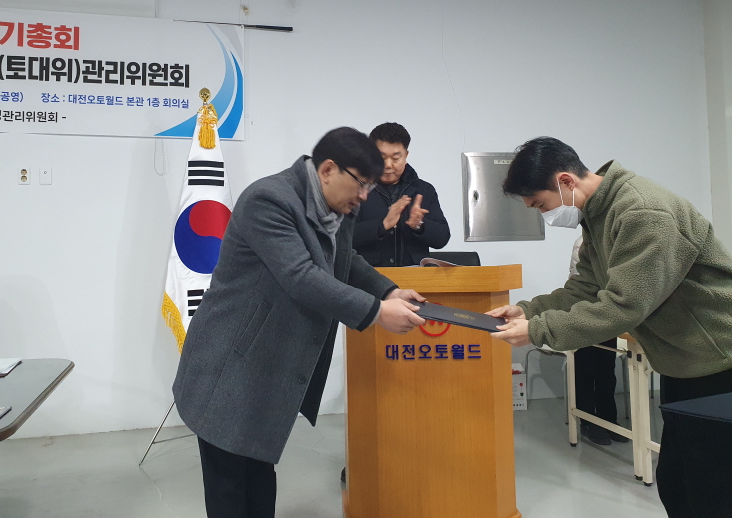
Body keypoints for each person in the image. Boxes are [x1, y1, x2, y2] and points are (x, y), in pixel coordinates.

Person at [172, 127, 427, 518]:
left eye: (370, 188)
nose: (364, 197)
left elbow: (346, 259)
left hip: (267, 363)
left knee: (259, 473)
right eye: (361, 184)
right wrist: (376, 312)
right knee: (230, 483)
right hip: (231, 362)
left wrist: (388, 291)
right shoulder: (268, 200)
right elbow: (301, 276)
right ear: (328, 170)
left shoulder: (336, 206)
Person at [487, 137, 732, 518]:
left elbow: (624, 305)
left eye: (540, 205)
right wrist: (526, 311)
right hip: (683, 363)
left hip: (718, 361)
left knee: (711, 488)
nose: (544, 214)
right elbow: (585, 287)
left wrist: (537, 330)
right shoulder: (599, 215)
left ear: (565, 181)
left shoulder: (643, 211)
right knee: (678, 482)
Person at [353, 122, 450, 267]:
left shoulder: (424, 190)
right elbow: (343, 237)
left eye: (395, 158)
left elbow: (442, 238)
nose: (388, 165)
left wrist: (420, 225)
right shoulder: (355, 189)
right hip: (368, 277)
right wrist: (383, 224)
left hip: (414, 277)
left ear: (406, 155)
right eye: (381, 158)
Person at [569, 234, 627, 446]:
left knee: (606, 371)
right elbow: (580, 284)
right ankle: (588, 422)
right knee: (585, 370)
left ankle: (609, 419)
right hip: (584, 314)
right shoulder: (583, 243)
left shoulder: (616, 239)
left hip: (609, 316)